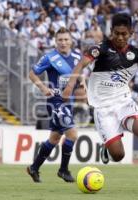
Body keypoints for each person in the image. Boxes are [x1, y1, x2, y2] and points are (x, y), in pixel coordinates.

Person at [62, 13, 138, 189]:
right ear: (111, 32)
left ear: (130, 32)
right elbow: (81, 65)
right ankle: (107, 148)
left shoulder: (135, 54)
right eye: (116, 33)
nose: (120, 37)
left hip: (124, 102)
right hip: (103, 108)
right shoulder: (100, 49)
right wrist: (70, 86)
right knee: (118, 155)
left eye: (124, 34)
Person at [27, 27, 83, 183]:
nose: (63, 42)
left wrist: (83, 82)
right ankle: (63, 170)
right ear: (55, 41)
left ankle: (34, 168)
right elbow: (32, 74)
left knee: (54, 138)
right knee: (72, 134)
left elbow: (78, 73)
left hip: (68, 102)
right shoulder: (49, 58)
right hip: (55, 102)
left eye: (66, 39)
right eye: (60, 40)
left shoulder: (77, 57)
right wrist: (43, 88)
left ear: (71, 40)